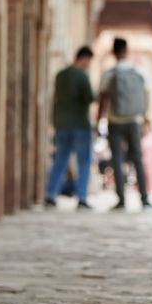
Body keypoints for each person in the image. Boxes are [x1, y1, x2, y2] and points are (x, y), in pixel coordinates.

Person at [98, 37, 152, 211]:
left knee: (117, 160)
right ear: (126, 52)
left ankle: (121, 200)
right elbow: (146, 96)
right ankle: (144, 199)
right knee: (137, 159)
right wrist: (145, 118)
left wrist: (99, 121)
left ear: (114, 53)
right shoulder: (139, 72)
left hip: (115, 121)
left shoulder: (109, 74)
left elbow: (103, 99)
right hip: (134, 121)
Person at [45, 45, 96, 210]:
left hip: (62, 124)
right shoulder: (82, 76)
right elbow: (90, 97)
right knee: (84, 162)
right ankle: (82, 197)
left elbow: (55, 99)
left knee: (60, 161)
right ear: (85, 58)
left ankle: (51, 195)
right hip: (80, 124)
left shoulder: (60, 75)